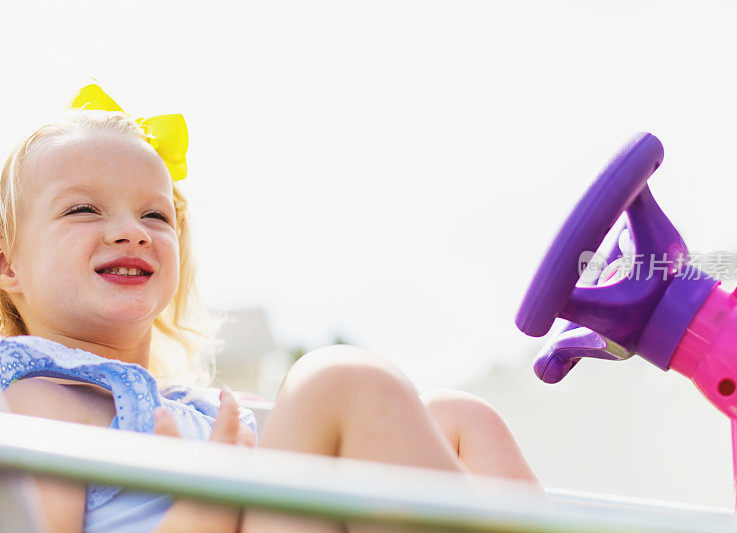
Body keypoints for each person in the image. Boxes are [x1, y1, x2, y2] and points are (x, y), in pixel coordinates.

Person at [0, 85, 544, 533]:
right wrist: (207, 495)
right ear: (7, 266)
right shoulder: (35, 404)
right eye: (83, 209)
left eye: (156, 216)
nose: (131, 232)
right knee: (340, 381)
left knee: (459, 417)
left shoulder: (204, 409)